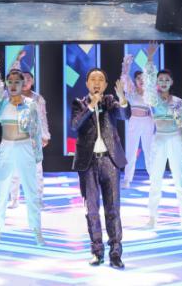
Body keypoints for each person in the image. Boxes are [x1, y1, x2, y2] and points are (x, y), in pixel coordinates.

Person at [0, 43, 44, 246]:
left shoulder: (31, 104)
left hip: (25, 147)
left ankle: (36, 231)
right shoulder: (2, 101)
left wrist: (38, 155)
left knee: (31, 190)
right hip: (7, 147)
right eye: (9, 82)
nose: (12, 85)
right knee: (1, 189)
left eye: (16, 82)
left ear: (23, 83)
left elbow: (36, 130)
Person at [70, 67, 128, 269]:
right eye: (93, 79)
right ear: (87, 83)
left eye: (100, 79)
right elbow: (75, 125)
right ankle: (97, 252)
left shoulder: (110, 101)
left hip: (110, 162)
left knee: (113, 210)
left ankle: (115, 253)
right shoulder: (79, 103)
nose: (96, 82)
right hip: (88, 163)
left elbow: (124, 114)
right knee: (92, 210)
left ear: (105, 85)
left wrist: (122, 98)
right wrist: (90, 106)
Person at [140, 42, 182, 229]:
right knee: (155, 180)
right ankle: (152, 218)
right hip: (159, 139)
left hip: (175, 139)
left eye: (166, 79)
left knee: (179, 179)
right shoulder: (152, 99)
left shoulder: (178, 102)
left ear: (171, 82)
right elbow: (148, 80)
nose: (163, 82)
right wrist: (150, 58)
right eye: (160, 79)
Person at [7, 54, 49, 208]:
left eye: (28, 79)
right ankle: (14, 199)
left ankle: (38, 199)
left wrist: (44, 135)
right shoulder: (12, 96)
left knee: (37, 170)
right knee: (14, 170)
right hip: (15, 136)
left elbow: (42, 118)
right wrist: (17, 61)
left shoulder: (38, 99)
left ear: (32, 82)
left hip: (33, 138)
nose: (25, 81)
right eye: (22, 79)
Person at [120, 53, 156, 190]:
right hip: (134, 122)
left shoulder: (150, 92)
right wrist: (126, 65)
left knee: (149, 151)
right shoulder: (131, 91)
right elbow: (124, 78)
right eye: (138, 79)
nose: (141, 80)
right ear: (135, 81)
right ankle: (127, 179)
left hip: (148, 122)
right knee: (130, 152)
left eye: (143, 78)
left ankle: (153, 178)